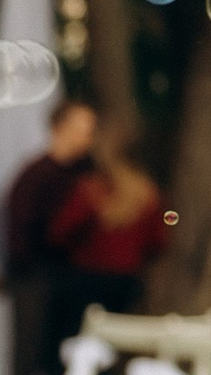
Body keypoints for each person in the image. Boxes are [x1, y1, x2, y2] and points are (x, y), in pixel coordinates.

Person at [3, 94, 102, 375]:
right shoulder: (35, 175)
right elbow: (19, 232)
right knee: (28, 355)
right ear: (59, 129)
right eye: (81, 129)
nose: (87, 138)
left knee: (62, 354)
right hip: (34, 278)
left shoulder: (90, 175)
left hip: (74, 280)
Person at [45, 135, 169, 356]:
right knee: (115, 347)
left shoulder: (91, 190)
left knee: (77, 348)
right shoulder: (147, 194)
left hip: (85, 280)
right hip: (126, 282)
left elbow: (60, 232)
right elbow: (158, 242)